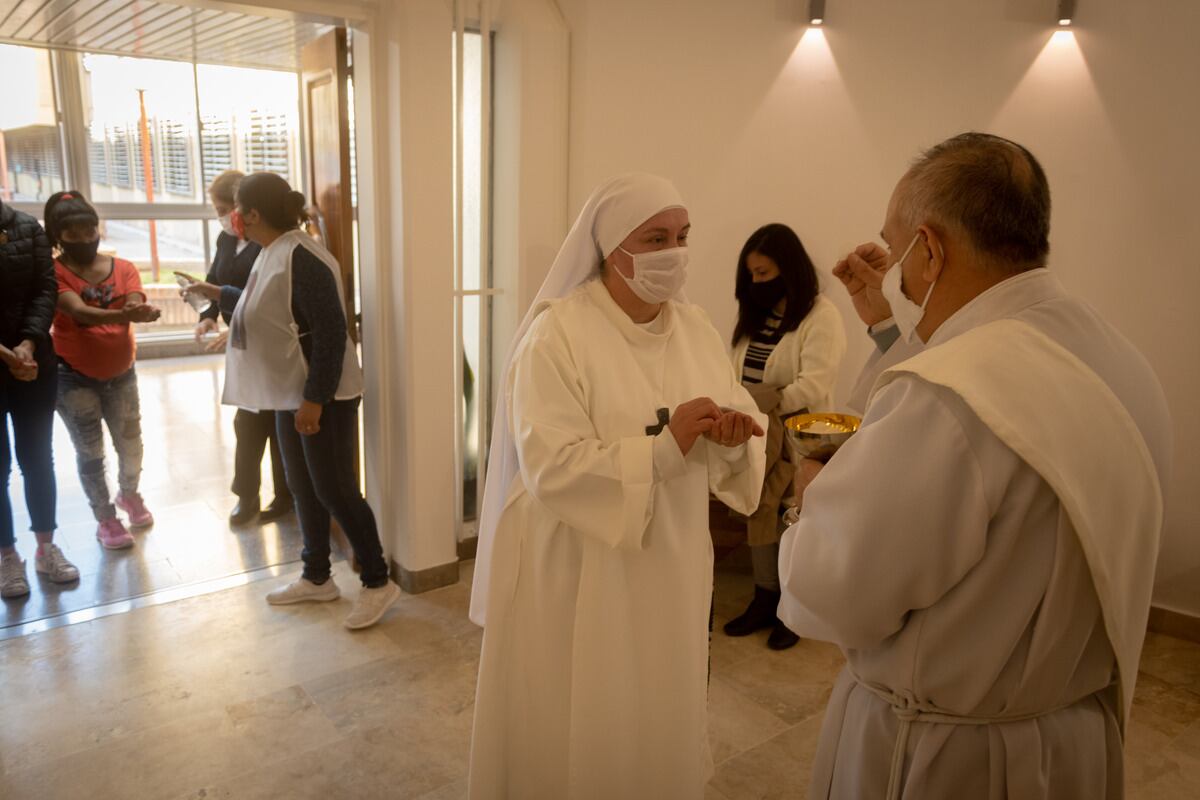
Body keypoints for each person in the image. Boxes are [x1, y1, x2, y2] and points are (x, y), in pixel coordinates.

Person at [778, 133, 1172, 800]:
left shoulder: (946, 399)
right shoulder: (1122, 362)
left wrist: (812, 498)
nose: (898, 280)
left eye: (896, 247)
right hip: (1070, 742)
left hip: (949, 758)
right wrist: (878, 320)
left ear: (929, 251)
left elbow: (829, 597)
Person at [468, 174, 768, 799]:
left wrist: (736, 435)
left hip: (673, 558)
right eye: (656, 238)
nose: (675, 253)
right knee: (585, 707)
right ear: (610, 247)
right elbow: (549, 464)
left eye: (683, 237)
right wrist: (662, 450)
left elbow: (735, 410)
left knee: (661, 695)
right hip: (582, 564)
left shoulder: (695, 328)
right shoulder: (558, 336)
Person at [184, 172, 398, 630]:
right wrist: (216, 293)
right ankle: (317, 577)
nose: (230, 217)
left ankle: (378, 581)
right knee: (303, 487)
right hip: (288, 392)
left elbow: (328, 332)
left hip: (320, 396)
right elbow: (269, 306)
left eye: (235, 208)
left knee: (336, 489)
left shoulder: (301, 254)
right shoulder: (273, 251)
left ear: (253, 214)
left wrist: (315, 400)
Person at [723, 223, 845, 650]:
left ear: (788, 269)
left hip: (801, 438)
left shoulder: (819, 315)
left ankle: (792, 608)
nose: (756, 282)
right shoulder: (754, 318)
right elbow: (732, 370)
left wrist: (762, 401)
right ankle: (764, 596)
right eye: (751, 275)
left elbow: (813, 382)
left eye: (764, 273)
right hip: (758, 433)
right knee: (759, 506)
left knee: (789, 517)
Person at [45, 191, 161, 550]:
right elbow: (78, 312)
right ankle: (105, 518)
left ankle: (130, 495)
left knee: (131, 445)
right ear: (57, 236)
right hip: (73, 378)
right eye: (73, 234)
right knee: (91, 452)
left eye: (89, 230)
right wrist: (126, 314)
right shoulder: (53, 273)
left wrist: (138, 307)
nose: (84, 239)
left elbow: (134, 298)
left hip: (121, 374)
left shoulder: (122, 267)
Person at [192, 170, 292, 527]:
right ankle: (247, 496)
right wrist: (209, 316)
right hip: (240, 345)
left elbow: (265, 300)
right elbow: (215, 283)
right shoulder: (225, 240)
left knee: (278, 422)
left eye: (224, 208)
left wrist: (237, 323)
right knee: (247, 424)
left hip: (266, 342)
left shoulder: (270, 244)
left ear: (245, 209)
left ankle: (285, 496)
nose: (221, 216)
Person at [1, 199, 78, 597]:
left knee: (37, 456)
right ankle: (6, 556)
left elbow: (45, 288)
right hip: (10, 357)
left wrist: (28, 344)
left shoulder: (27, 226)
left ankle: (46, 547)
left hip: (33, 360)